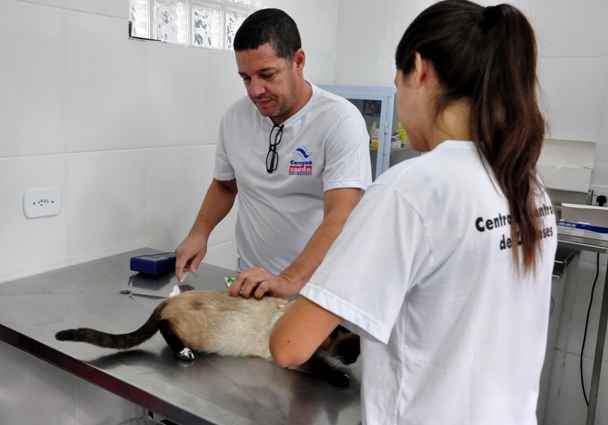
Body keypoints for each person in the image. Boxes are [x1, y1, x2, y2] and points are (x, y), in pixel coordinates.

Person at [270, 1, 557, 424]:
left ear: (420, 70)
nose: (398, 95)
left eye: (398, 78)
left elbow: (290, 344)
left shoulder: (412, 188)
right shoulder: (527, 186)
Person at [175, 8, 371, 299]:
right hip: (253, 284)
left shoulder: (339, 120)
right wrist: (199, 232)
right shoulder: (235, 119)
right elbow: (225, 185)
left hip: (317, 288)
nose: (255, 90)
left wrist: (290, 279)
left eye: (267, 75)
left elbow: (341, 213)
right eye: (246, 78)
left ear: (299, 61)